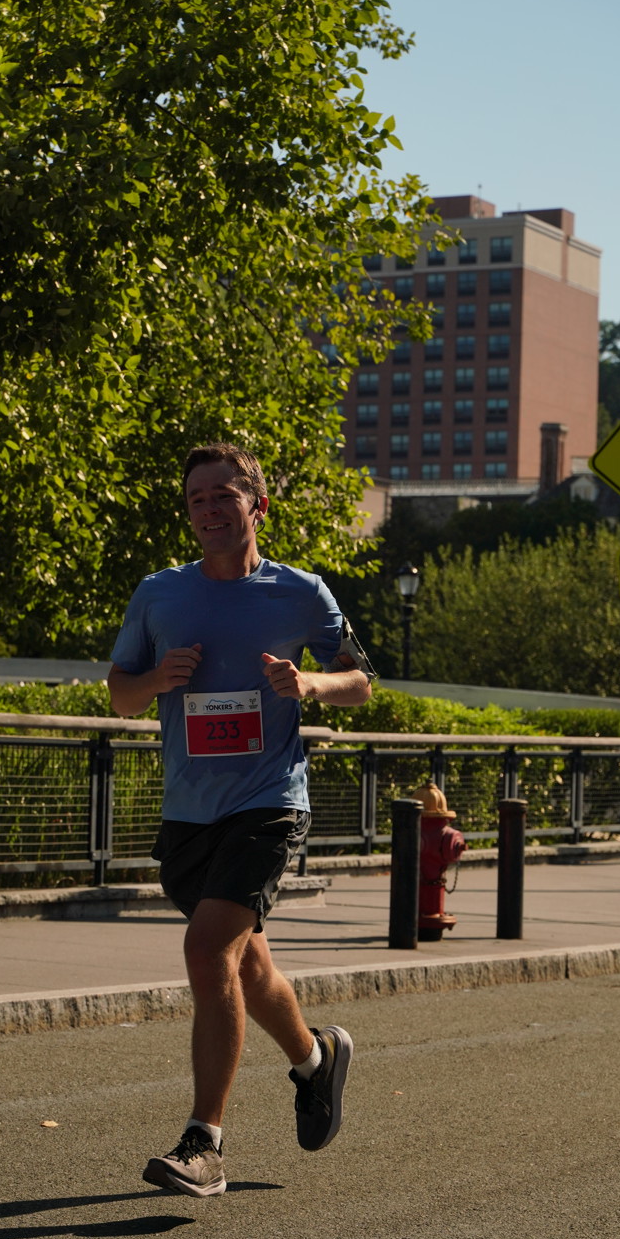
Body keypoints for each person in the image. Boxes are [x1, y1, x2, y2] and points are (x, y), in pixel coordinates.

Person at [107, 442, 374, 1197]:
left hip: (269, 802)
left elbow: (361, 681)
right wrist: (157, 678)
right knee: (244, 965)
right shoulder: (159, 594)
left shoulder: (300, 592)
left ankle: (204, 1143)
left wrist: (310, 683)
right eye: (196, 498)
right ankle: (316, 1060)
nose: (209, 510)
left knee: (205, 950)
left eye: (223, 495)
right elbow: (120, 694)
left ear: (257, 505)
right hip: (189, 814)